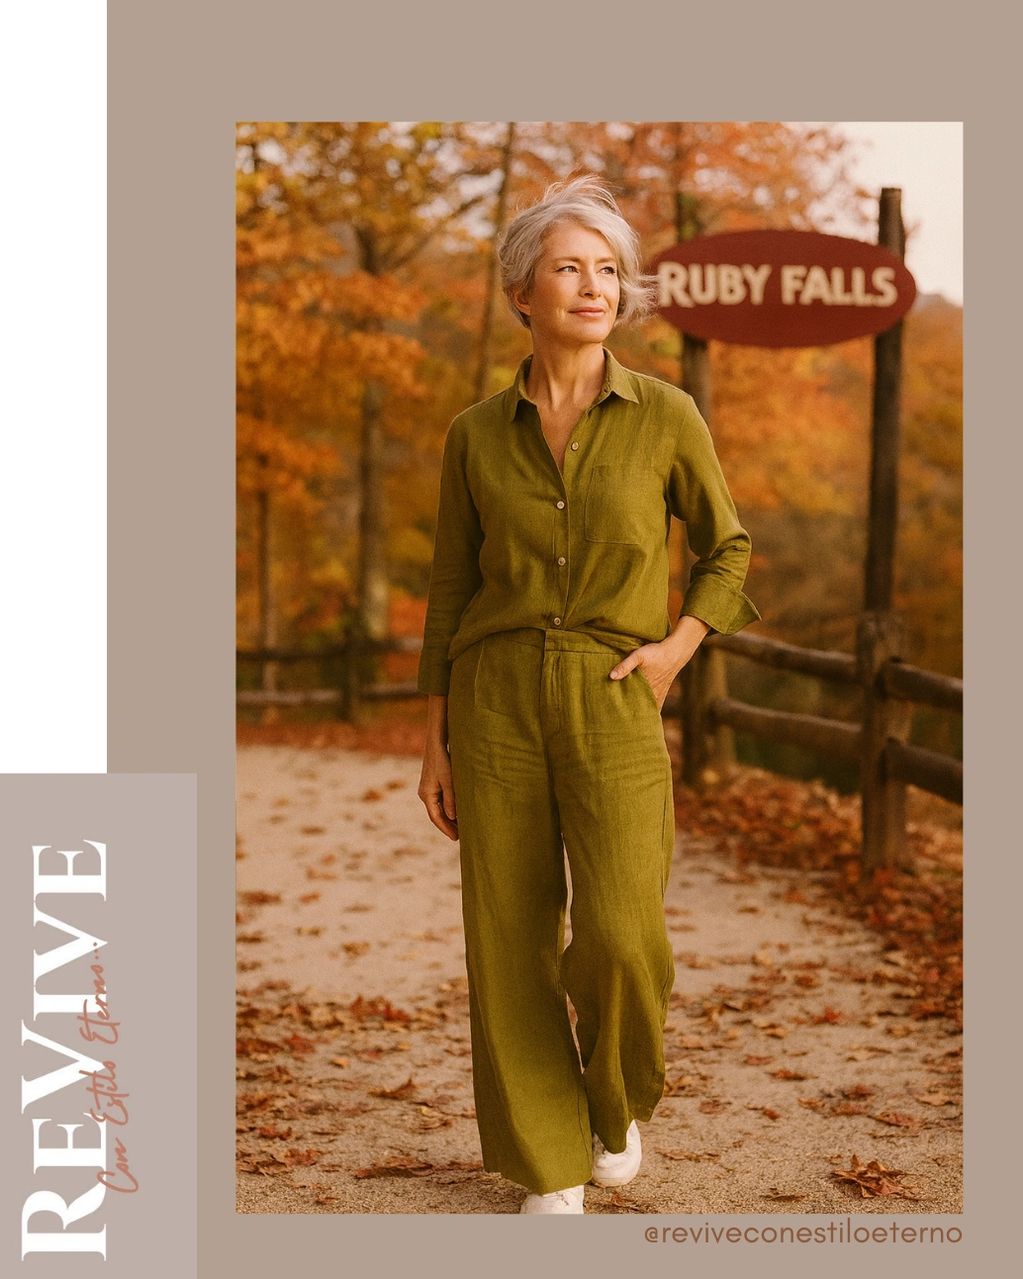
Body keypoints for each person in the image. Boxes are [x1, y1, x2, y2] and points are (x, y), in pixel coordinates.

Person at [416, 174, 761, 1214]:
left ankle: (615, 1099)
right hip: (493, 696)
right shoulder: (475, 434)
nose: (592, 285)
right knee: (511, 936)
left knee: (618, 932)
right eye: (568, 267)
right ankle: (548, 1162)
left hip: (613, 689)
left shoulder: (664, 414)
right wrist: (433, 739)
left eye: (607, 269)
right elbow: (448, 588)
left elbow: (728, 547)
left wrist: (675, 650)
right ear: (523, 290)